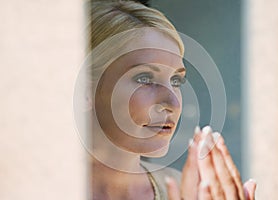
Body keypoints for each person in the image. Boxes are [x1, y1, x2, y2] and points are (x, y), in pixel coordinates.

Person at [82, 0, 257, 199]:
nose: (173, 104)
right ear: (85, 91)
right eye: (145, 78)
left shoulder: (189, 193)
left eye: (176, 80)